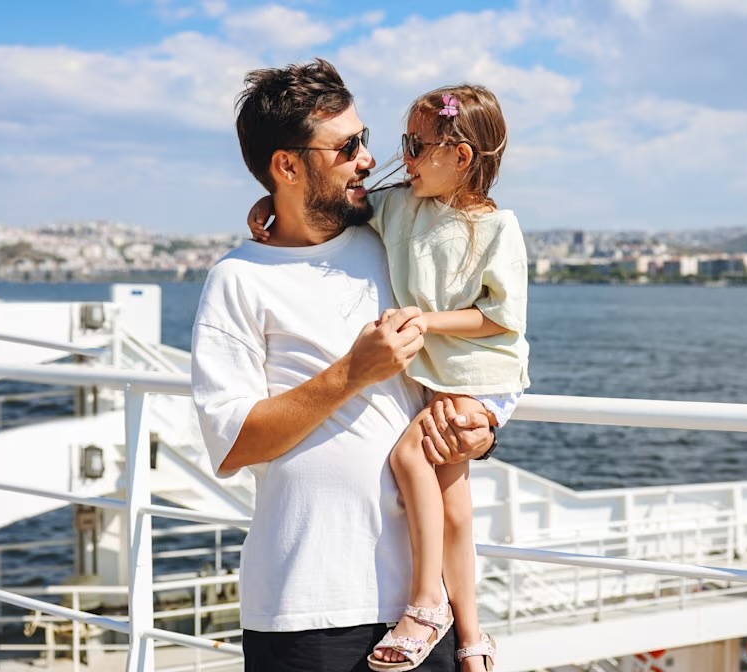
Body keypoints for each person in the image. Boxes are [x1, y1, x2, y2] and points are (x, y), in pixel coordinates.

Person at [191, 58, 495, 672]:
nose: (367, 158)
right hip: (304, 607)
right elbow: (232, 446)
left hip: (422, 607)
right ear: (287, 165)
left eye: (365, 139)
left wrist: (486, 424)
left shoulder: (400, 239)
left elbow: (489, 330)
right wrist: (352, 372)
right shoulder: (236, 281)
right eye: (347, 146)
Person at [249, 84, 529, 672]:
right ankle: (472, 635)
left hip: (478, 378)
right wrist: (273, 202)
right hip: (440, 376)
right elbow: (332, 207)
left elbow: (501, 318)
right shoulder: (401, 207)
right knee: (453, 506)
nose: (398, 157)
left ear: (461, 158)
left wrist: (425, 323)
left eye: (415, 144)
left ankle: (429, 604)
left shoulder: (498, 228)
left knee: (411, 460)